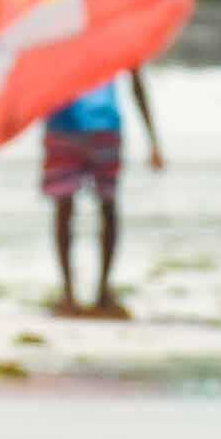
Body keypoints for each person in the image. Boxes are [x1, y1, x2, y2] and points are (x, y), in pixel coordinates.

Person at [42, 67, 163, 318]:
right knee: (98, 206)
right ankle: (90, 291)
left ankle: (79, 292)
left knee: (73, 207)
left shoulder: (65, 29)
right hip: (90, 125)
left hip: (71, 125)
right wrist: (152, 140)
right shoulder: (113, 29)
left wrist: (153, 142)